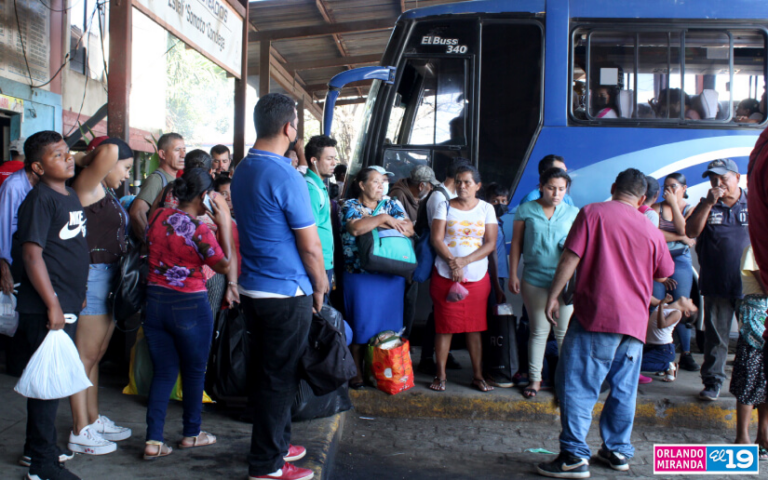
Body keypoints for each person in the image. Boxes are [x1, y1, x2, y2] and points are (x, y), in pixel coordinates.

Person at [537, 169, 673, 478]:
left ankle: (573, 456)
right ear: (642, 198)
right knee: (624, 390)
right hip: (634, 325)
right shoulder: (650, 228)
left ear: (613, 188)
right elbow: (664, 273)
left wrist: (554, 296)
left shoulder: (593, 213)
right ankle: (617, 451)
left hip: (596, 317)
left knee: (579, 386)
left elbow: (570, 257)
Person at [231, 93, 328, 480]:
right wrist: (320, 285)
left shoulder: (244, 168)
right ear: (290, 128)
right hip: (286, 291)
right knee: (279, 377)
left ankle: (276, 444)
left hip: (255, 288)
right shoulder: (286, 174)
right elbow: (310, 244)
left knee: (270, 374)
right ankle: (267, 465)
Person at [142, 168, 232, 460]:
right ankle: (191, 434)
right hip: (190, 305)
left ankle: (153, 441)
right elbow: (224, 265)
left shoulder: (156, 217)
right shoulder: (199, 229)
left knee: (164, 372)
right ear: (205, 196)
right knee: (194, 372)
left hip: (154, 301)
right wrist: (225, 226)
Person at [14, 131, 90, 480]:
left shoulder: (70, 195)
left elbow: (70, 249)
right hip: (47, 308)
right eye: (57, 155)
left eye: (66, 152)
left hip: (66, 301)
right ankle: (43, 466)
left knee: (55, 379)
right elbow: (32, 256)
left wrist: (78, 292)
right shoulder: (39, 199)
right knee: (47, 385)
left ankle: (35, 450)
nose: (67, 158)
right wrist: (54, 304)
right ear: (38, 167)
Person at [65, 139, 134, 457]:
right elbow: (108, 150)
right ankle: (80, 429)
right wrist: (82, 156)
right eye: (126, 167)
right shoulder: (86, 185)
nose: (126, 175)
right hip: (92, 277)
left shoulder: (103, 190)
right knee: (84, 357)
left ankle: (92, 419)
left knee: (96, 355)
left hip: (107, 278)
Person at [430, 164, 501, 392]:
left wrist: (464, 262)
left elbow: (490, 243)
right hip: (445, 275)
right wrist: (453, 262)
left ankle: (478, 376)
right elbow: (436, 239)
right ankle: (440, 375)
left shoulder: (487, 209)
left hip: (477, 277)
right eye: (459, 182)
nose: (462, 186)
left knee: (475, 327)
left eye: (467, 182)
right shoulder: (444, 206)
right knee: (444, 327)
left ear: (478, 186)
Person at [340, 167, 414, 388]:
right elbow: (355, 228)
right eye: (376, 182)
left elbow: (409, 229)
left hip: (391, 274)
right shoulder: (350, 205)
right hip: (360, 275)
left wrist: (374, 221)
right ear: (362, 185)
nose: (382, 186)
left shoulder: (392, 203)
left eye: (384, 182)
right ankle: (356, 372)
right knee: (361, 323)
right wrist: (384, 219)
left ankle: (380, 371)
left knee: (387, 326)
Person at [509, 168, 579, 398]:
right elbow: (516, 244)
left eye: (561, 189)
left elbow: (579, 250)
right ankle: (535, 380)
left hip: (565, 283)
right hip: (534, 279)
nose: (556, 193)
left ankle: (565, 382)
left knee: (563, 332)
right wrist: (513, 274)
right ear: (541, 186)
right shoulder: (526, 209)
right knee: (539, 331)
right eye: (551, 188)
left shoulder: (573, 213)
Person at [686, 158, 750, 401]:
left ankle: (748, 386)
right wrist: (708, 204)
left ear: (737, 178)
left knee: (752, 339)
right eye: (713, 179)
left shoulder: (755, 204)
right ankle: (712, 383)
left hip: (751, 286)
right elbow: (691, 232)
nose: (719, 183)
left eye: (723, 178)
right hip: (716, 284)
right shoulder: (706, 206)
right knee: (716, 339)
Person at [418, 157, 470, 374]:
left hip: (450, 260)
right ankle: (428, 357)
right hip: (442, 261)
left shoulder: (447, 195)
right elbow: (438, 235)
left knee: (444, 310)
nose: (466, 184)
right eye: (464, 180)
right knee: (439, 310)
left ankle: (441, 354)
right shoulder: (439, 197)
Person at [652, 172, 699, 372]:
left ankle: (686, 354)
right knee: (657, 304)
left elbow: (685, 231)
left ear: (684, 188)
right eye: (666, 187)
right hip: (657, 261)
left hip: (680, 260)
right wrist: (681, 238)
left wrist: (673, 205)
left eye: (673, 187)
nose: (668, 191)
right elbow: (654, 234)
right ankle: (655, 350)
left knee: (681, 305)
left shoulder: (691, 208)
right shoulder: (655, 208)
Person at [389, 164, 439, 338]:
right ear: (421, 185)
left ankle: (405, 340)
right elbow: (403, 228)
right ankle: (402, 341)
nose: (432, 188)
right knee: (406, 300)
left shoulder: (416, 197)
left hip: (411, 255)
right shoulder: (398, 196)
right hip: (402, 258)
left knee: (410, 300)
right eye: (430, 185)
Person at [729, 245, 768, 456]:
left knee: (765, 380)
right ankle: (742, 437)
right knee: (749, 376)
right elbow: (764, 282)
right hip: (756, 315)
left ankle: (763, 436)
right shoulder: (755, 248)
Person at [129, 133, 185, 240]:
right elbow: (136, 212)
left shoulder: (176, 179)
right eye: (177, 150)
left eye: (184, 150)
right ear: (162, 154)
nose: (183, 154)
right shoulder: (157, 179)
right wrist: (150, 242)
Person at [303, 135, 338, 302]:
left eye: (334, 158)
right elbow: (310, 235)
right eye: (329, 159)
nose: (334, 163)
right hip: (318, 265)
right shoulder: (311, 189)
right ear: (314, 160)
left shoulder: (319, 185)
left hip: (324, 263)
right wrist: (319, 275)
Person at [642, 294, 698, 382]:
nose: (691, 299)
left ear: (687, 312)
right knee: (634, 360)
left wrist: (661, 305)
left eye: (692, 304)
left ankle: (668, 366)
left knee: (638, 365)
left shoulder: (677, 313)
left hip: (664, 349)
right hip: (651, 346)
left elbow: (662, 325)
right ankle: (662, 367)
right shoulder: (665, 305)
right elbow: (648, 297)